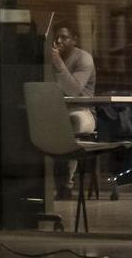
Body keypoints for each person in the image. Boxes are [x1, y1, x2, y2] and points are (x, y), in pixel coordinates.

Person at [46, 25, 97, 200]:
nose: (59, 41)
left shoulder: (84, 59)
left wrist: (58, 63)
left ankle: (67, 183)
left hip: (83, 111)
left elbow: (74, 90)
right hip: (56, 110)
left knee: (71, 121)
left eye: (64, 37)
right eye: (57, 37)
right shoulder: (50, 59)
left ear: (75, 39)